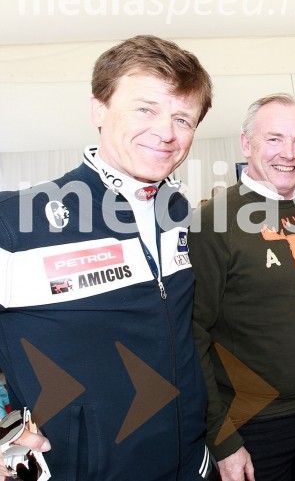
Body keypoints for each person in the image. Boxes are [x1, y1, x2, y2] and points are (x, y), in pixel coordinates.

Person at [0, 35, 216, 480]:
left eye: (183, 117)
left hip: (190, 462)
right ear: (99, 109)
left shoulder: (177, 214)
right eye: (145, 108)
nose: (167, 132)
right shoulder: (17, 222)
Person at [190, 93, 295, 481]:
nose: (288, 153)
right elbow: (191, 335)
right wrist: (221, 438)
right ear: (246, 144)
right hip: (252, 426)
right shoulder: (212, 222)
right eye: (274, 139)